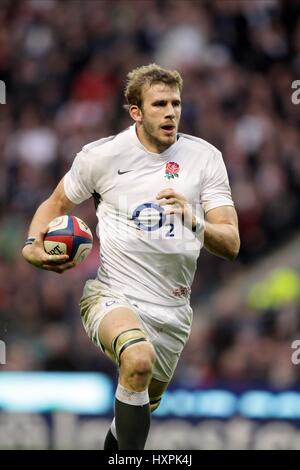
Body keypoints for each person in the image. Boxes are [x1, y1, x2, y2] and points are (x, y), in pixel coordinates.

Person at [22, 63, 240, 450]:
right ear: (136, 112)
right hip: (112, 294)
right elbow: (54, 203)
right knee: (137, 359)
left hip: (173, 311)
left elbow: (232, 243)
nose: (171, 112)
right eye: (159, 104)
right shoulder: (102, 156)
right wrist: (31, 249)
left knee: (133, 417)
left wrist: (194, 221)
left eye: (176, 103)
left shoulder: (205, 158)